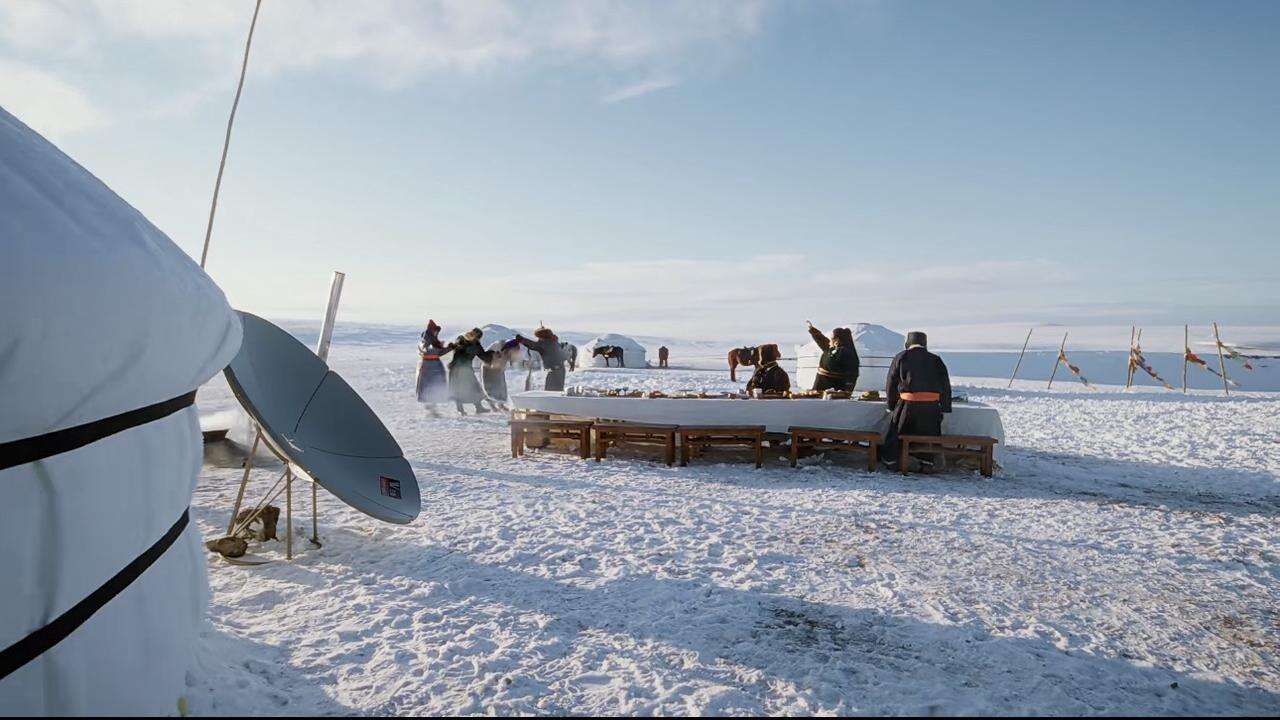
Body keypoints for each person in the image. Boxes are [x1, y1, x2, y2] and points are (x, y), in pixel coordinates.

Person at [881, 331, 952, 471]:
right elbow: (945, 385)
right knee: (927, 433)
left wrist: (891, 405)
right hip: (931, 408)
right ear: (925, 343)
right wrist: (945, 407)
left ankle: (894, 461)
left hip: (907, 406)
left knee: (898, 434)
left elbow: (891, 383)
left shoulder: (901, 357)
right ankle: (926, 462)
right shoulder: (936, 359)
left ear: (908, 343)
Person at [446, 327, 494, 414]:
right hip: (459, 369)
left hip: (464, 369)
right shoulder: (463, 340)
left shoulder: (473, 344)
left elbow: (483, 356)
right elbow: (456, 351)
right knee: (460, 389)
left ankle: (478, 407)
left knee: (473, 387)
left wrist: (491, 353)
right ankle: (461, 410)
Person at [806, 321, 860, 392]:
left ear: (837, 340)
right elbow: (822, 340)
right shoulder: (832, 349)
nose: (830, 340)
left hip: (836, 387)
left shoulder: (847, 353)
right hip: (821, 384)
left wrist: (848, 388)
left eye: (832, 338)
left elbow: (852, 372)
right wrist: (812, 330)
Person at [516, 327, 570, 391]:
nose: (538, 339)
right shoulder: (554, 342)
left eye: (539, 337)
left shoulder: (545, 344)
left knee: (551, 393)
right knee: (557, 391)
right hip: (560, 370)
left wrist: (521, 339)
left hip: (554, 372)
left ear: (543, 337)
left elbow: (532, 345)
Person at [414, 319, 449, 417]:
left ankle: (432, 409)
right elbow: (426, 350)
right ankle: (430, 410)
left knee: (434, 386)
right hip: (428, 367)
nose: (436, 333)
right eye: (435, 331)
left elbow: (439, 353)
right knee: (429, 386)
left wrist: (449, 348)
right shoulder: (426, 341)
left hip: (434, 366)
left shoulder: (432, 341)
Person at [481, 337, 522, 411]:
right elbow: (486, 357)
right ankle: (492, 405)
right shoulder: (497, 346)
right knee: (490, 388)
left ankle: (501, 404)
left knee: (502, 387)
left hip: (499, 369)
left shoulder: (510, 350)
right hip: (488, 368)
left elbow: (513, 359)